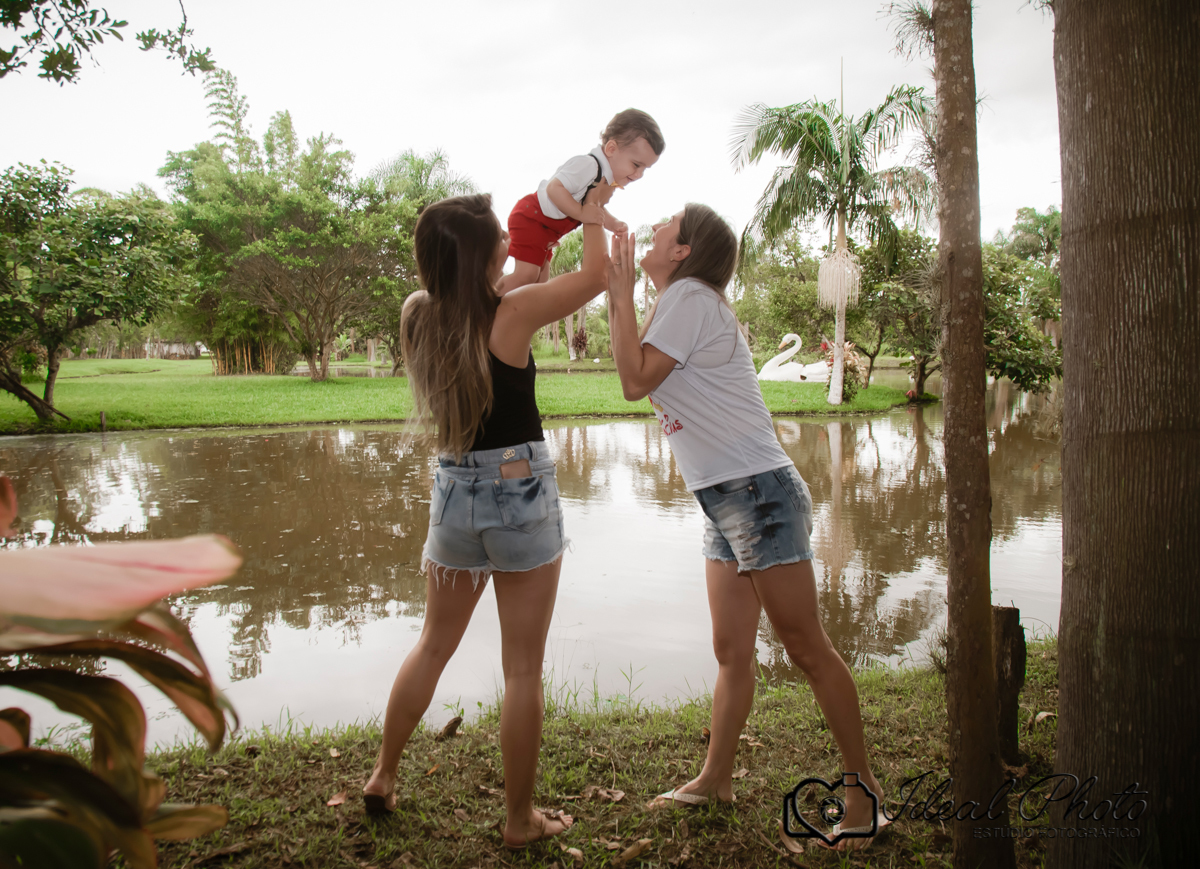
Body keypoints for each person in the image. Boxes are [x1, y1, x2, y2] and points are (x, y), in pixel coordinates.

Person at [605, 206, 887, 852]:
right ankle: (716, 778)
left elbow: (632, 381)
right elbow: (636, 369)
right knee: (732, 649)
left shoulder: (688, 298)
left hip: (757, 493)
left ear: (683, 250)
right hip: (726, 497)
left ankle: (863, 796)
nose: (653, 228)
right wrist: (622, 296)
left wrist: (619, 294)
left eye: (666, 224)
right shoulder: (680, 301)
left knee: (806, 646)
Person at [362, 187, 612, 849]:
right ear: (481, 254)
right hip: (517, 490)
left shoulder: (419, 314)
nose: (509, 239)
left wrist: (532, 251)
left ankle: (384, 773)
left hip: (453, 492)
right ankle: (519, 819)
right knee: (522, 668)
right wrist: (591, 213)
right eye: (500, 234)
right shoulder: (514, 313)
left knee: (432, 644)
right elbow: (596, 277)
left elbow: (503, 284)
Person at [496, 109, 663, 295]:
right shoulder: (588, 165)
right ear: (611, 149)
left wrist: (613, 223)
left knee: (539, 284)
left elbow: (595, 209)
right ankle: (487, 301)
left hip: (546, 231)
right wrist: (581, 213)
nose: (639, 175)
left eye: (645, 169)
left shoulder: (604, 180)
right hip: (532, 217)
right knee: (526, 275)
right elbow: (554, 188)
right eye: (636, 165)